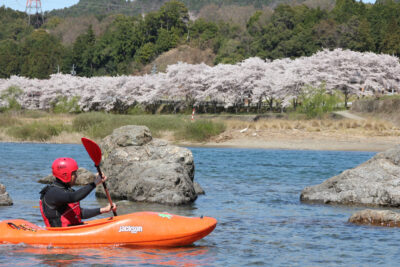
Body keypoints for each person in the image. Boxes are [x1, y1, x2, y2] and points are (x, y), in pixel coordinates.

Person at [39, 157, 117, 227]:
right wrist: (94, 183)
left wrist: (103, 210)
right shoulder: (53, 192)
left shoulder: (66, 190)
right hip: (60, 234)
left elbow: (79, 213)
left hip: (71, 230)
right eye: (74, 173)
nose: (76, 176)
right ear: (65, 175)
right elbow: (74, 197)